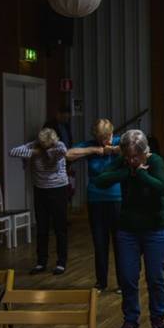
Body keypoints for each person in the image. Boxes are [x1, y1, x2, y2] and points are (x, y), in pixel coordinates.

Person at [92, 129, 164, 328]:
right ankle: (131, 319)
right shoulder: (125, 163)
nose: (131, 160)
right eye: (127, 156)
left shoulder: (155, 162)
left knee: (155, 277)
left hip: (156, 228)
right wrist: (129, 172)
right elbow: (100, 180)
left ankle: (158, 318)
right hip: (128, 230)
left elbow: (162, 188)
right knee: (127, 278)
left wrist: (142, 174)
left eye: (136, 156)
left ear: (145, 152)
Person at [67, 119, 122, 292]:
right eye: (101, 139)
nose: (104, 141)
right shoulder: (91, 145)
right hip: (95, 200)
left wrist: (113, 149)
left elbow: (136, 148)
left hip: (116, 199)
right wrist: (95, 150)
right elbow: (68, 154)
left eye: (107, 137)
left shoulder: (119, 141)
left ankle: (122, 283)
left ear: (112, 133)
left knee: (120, 242)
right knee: (99, 242)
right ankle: (101, 283)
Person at [10, 128, 69, 275]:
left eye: (48, 145)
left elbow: (63, 152)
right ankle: (41, 262)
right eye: (43, 145)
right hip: (40, 190)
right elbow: (13, 151)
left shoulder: (59, 145)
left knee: (60, 227)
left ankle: (61, 262)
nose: (45, 148)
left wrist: (46, 151)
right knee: (41, 227)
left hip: (58, 189)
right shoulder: (34, 145)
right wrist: (35, 152)